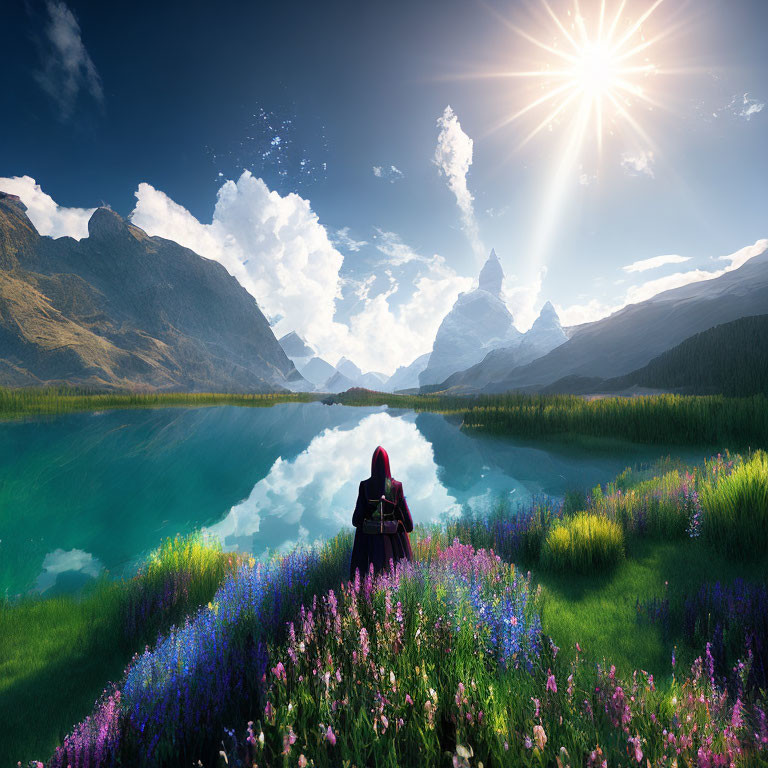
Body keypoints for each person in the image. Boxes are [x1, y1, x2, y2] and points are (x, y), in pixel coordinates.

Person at [349, 445, 413, 580]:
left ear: (372, 465)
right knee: (395, 578)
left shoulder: (365, 486)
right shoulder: (396, 486)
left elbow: (356, 520)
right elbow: (409, 525)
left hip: (370, 543)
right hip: (393, 542)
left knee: (369, 579)